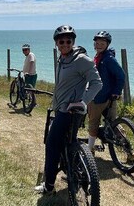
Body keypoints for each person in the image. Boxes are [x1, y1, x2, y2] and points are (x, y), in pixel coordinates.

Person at [35, 25, 102, 194]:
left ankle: (49, 186)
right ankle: (73, 170)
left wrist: (83, 101)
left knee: (52, 144)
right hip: (61, 108)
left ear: (73, 41)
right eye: (61, 41)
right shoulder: (63, 59)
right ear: (56, 43)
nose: (64, 44)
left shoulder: (81, 60)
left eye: (68, 41)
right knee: (68, 143)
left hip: (70, 111)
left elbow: (97, 83)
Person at [87, 31, 125, 153]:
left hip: (99, 97)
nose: (99, 45)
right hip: (109, 96)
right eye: (97, 43)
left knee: (93, 124)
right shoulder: (100, 57)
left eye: (102, 43)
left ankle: (90, 149)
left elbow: (121, 75)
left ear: (107, 44)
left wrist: (117, 91)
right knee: (112, 124)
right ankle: (128, 149)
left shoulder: (108, 59)